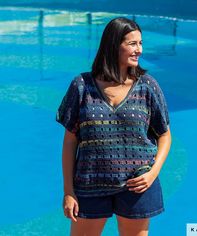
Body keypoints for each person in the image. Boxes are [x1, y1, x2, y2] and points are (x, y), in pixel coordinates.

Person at [56, 17, 171, 236]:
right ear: (113, 45)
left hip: (137, 186)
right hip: (89, 185)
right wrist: (68, 192)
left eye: (140, 43)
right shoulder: (81, 86)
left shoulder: (147, 86)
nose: (139, 50)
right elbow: (70, 141)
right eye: (132, 44)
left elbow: (165, 135)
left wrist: (152, 173)